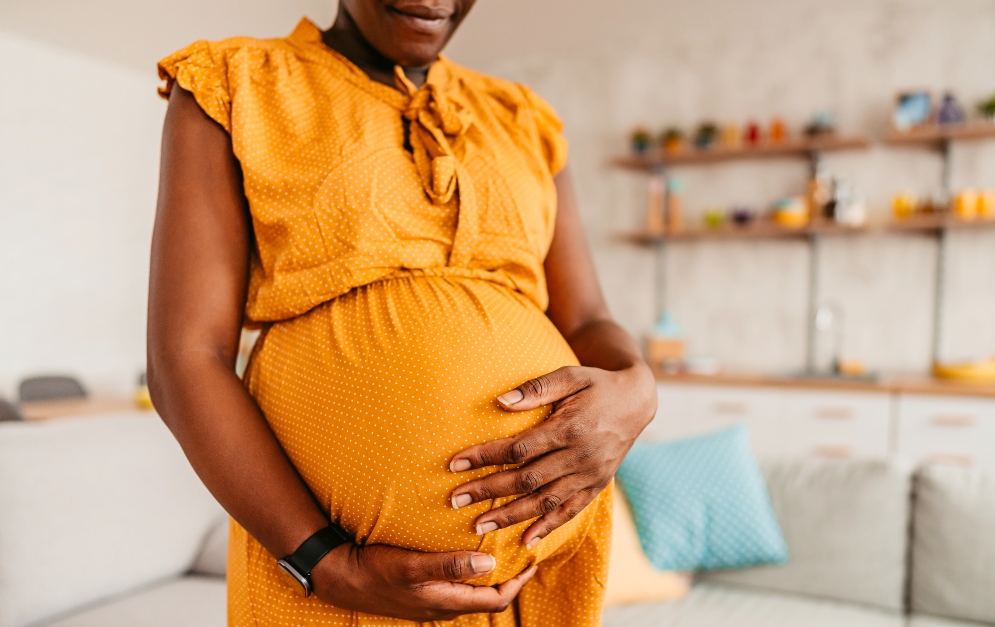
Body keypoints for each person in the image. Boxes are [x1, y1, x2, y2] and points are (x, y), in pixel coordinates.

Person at [147, 0, 657, 624]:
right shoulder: (234, 84)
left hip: (530, 582)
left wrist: (637, 387)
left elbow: (585, 321)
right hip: (331, 585)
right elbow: (185, 358)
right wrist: (325, 563)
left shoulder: (522, 119)